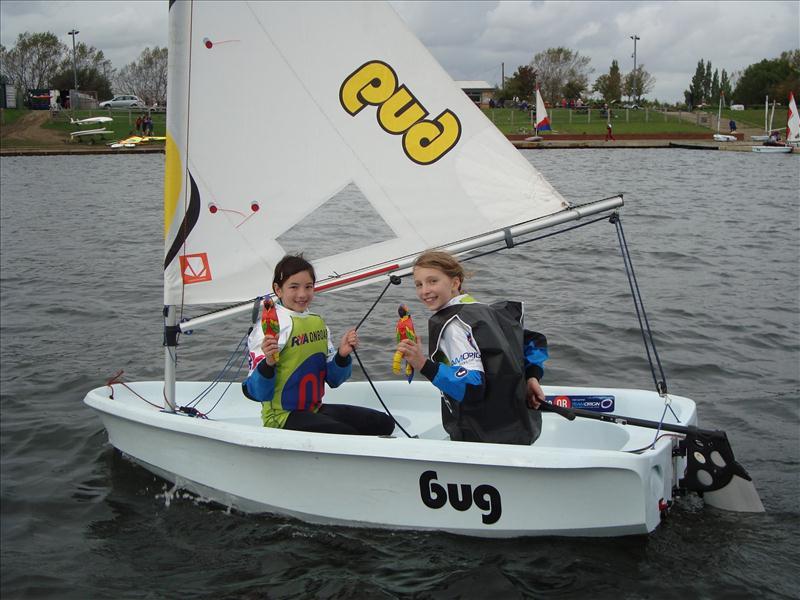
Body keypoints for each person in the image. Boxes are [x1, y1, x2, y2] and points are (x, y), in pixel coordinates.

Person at [395, 250, 548, 445]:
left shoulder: (454, 326)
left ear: (455, 282)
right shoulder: (486, 310)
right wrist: (532, 376)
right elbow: (533, 342)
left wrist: (423, 364)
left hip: (484, 438)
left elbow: (472, 387)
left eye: (433, 281)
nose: (424, 291)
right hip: (519, 429)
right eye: (419, 284)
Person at [243, 254, 395, 436]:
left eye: (308, 287)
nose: (302, 294)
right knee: (345, 432)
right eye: (294, 287)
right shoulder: (269, 328)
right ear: (278, 289)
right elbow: (254, 392)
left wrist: (342, 355)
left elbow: (333, 379)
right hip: (282, 417)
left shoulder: (317, 322)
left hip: (314, 409)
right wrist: (268, 363)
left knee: (383, 423)